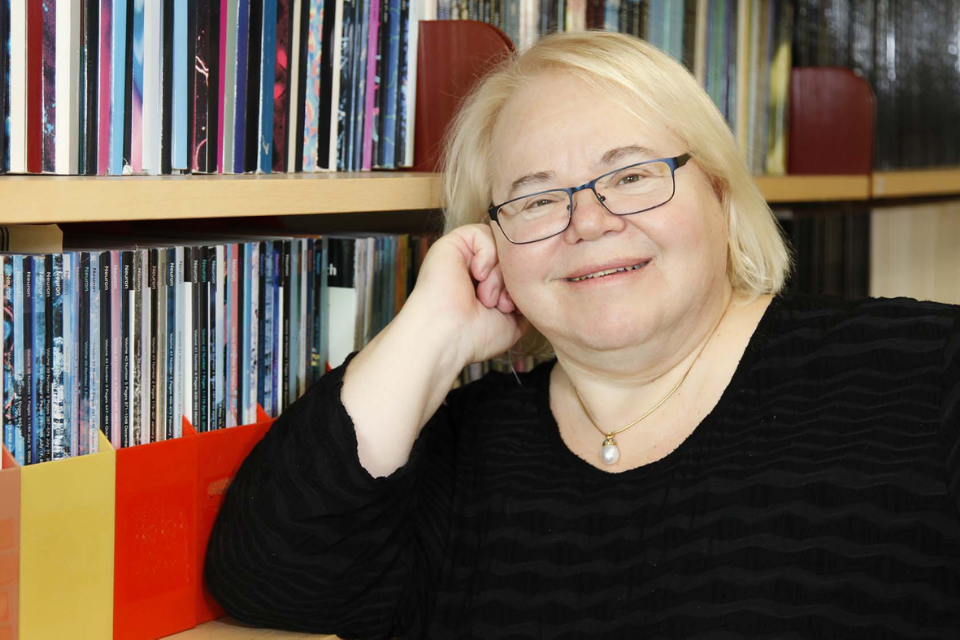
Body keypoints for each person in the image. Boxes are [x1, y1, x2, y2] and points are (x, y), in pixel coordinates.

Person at [204, 31, 960, 638]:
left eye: (631, 176)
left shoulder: (927, 372)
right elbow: (271, 582)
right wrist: (430, 331)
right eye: (535, 202)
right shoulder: (465, 449)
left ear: (721, 195)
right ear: (490, 242)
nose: (589, 222)